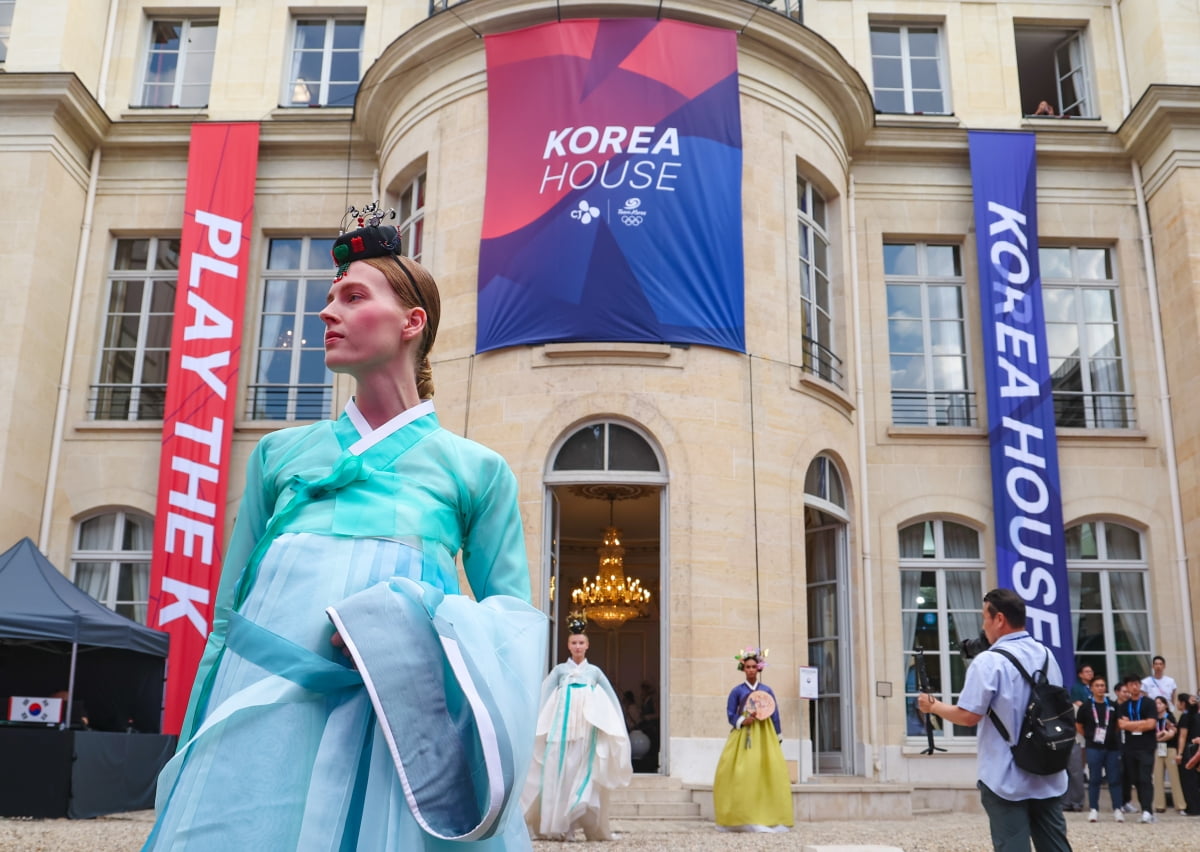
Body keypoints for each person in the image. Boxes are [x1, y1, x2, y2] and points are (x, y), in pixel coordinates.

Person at [143, 204, 547, 851]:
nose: (326, 312)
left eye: (352, 296)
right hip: (264, 716)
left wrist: (410, 618)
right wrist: (200, 732)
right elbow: (226, 618)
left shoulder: (476, 470)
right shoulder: (278, 455)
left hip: (401, 726)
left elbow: (513, 626)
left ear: (412, 322)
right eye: (329, 298)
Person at [917, 588, 1069, 852]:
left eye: (984, 618)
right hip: (1048, 770)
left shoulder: (989, 662)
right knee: (1055, 846)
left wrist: (935, 707)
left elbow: (968, 716)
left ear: (999, 619)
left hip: (1006, 774)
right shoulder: (1047, 655)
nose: (982, 625)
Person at [521, 613, 632, 841]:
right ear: (568, 645)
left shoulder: (595, 673)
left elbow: (611, 700)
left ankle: (575, 821)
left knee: (580, 776)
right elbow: (543, 697)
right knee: (557, 775)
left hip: (585, 735)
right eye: (574, 643)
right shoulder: (560, 671)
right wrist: (533, 724)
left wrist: (614, 727)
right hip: (559, 733)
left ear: (588, 645)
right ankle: (559, 826)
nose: (578, 646)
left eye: (581, 642)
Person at [711, 647, 792, 832]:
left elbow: (775, 714)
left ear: (759, 669)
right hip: (744, 733)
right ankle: (740, 816)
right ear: (743, 668)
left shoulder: (767, 690)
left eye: (754, 667)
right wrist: (742, 720)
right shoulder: (737, 691)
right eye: (747, 667)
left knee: (767, 772)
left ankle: (769, 816)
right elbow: (730, 713)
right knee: (742, 773)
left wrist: (777, 735)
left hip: (765, 733)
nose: (750, 670)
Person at [1075, 675, 1124, 822]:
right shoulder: (1086, 706)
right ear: (1092, 688)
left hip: (1112, 747)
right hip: (1093, 747)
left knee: (1114, 779)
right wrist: (1089, 737)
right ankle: (1094, 809)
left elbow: (1117, 725)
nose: (1100, 688)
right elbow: (1079, 725)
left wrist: (1109, 735)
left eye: (1102, 685)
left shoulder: (1113, 705)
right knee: (1094, 779)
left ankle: (1117, 808)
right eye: (1097, 685)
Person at [1117, 673, 1158, 823]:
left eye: (1136, 683)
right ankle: (1144, 808)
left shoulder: (1149, 703)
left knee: (1145, 777)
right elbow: (1121, 725)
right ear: (1127, 687)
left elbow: (1151, 724)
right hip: (1129, 747)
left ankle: (1148, 811)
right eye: (1131, 684)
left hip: (1146, 746)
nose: (1134, 687)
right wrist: (1140, 724)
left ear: (1140, 685)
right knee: (1135, 779)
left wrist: (1132, 724)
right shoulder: (1123, 706)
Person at [1062, 664, 1093, 813]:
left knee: (1076, 771)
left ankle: (1077, 801)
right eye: (1086, 671)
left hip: (1081, 738)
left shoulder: (1091, 691)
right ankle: (1068, 801)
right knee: (1068, 771)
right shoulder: (1076, 692)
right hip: (1068, 740)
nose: (1090, 673)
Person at [1152, 695, 1181, 813]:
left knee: (1174, 777)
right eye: (1156, 703)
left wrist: (1162, 736)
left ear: (1165, 705)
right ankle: (1159, 805)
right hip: (1157, 749)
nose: (1158, 706)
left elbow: (1173, 732)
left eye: (1160, 703)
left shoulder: (1170, 717)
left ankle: (1180, 805)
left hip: (1169, 748)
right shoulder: (1153, 718)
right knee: (1157, 778)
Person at [1176, 693, 1200, 815]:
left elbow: (1182, 736)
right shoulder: (1192, 715)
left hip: (1190, 750)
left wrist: (1179, 753)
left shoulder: (1187, 716)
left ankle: (1193, 807)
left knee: (1189, 779)